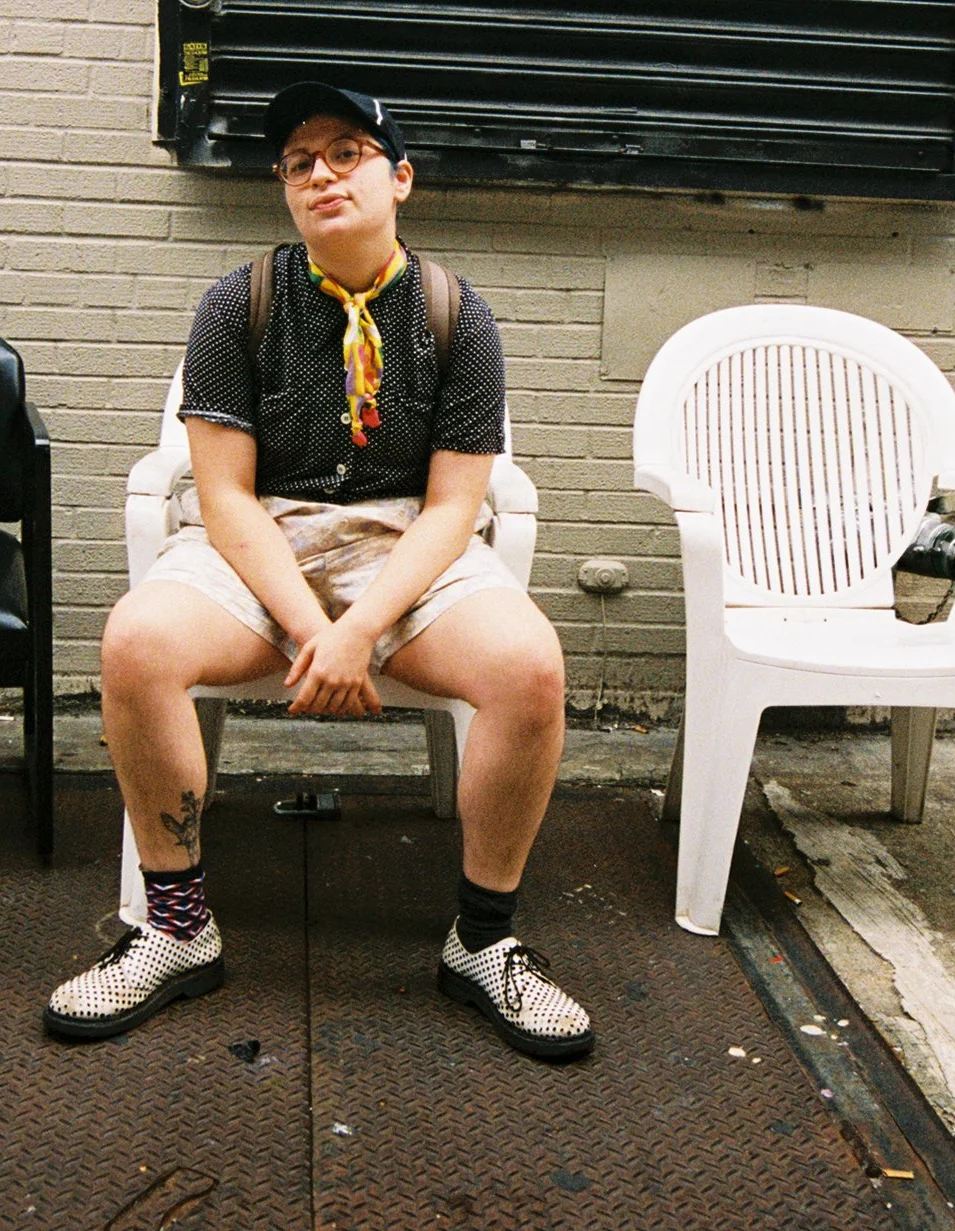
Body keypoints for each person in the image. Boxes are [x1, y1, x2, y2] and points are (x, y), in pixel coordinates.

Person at [43, 82, 593, 1060]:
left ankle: (482, 939)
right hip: (266, 535)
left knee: (529, 666)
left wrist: (360, 626)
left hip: (405, 541)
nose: (321, 175)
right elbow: (224, 497)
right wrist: (311, 627)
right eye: (299, 163)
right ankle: (177, 927)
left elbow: (453, 507)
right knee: (137, 641)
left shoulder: (458, 314)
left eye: (346, 153)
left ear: (400, 178)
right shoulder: (237, 303)